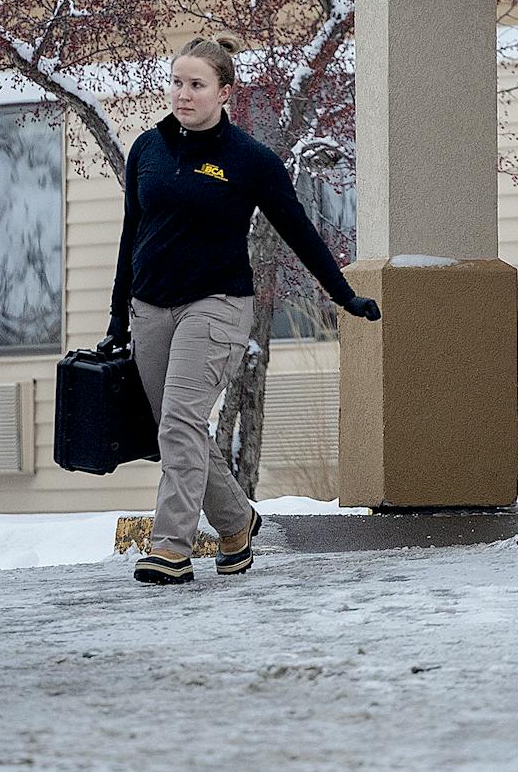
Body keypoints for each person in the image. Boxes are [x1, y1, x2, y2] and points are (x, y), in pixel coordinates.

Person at [103, 35, 381, 586]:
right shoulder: (147, 150)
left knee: (181, 421)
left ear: (225, 92)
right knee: (175, 429)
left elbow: (300, 231)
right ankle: (236, 523)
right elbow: (131, 235)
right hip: (150, 307)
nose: (183, 95)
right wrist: (118, 318)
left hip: (217, 305)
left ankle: (170, 548)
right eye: (177, 82)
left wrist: (341, 294)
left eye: (197, 85)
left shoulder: (249, 161)